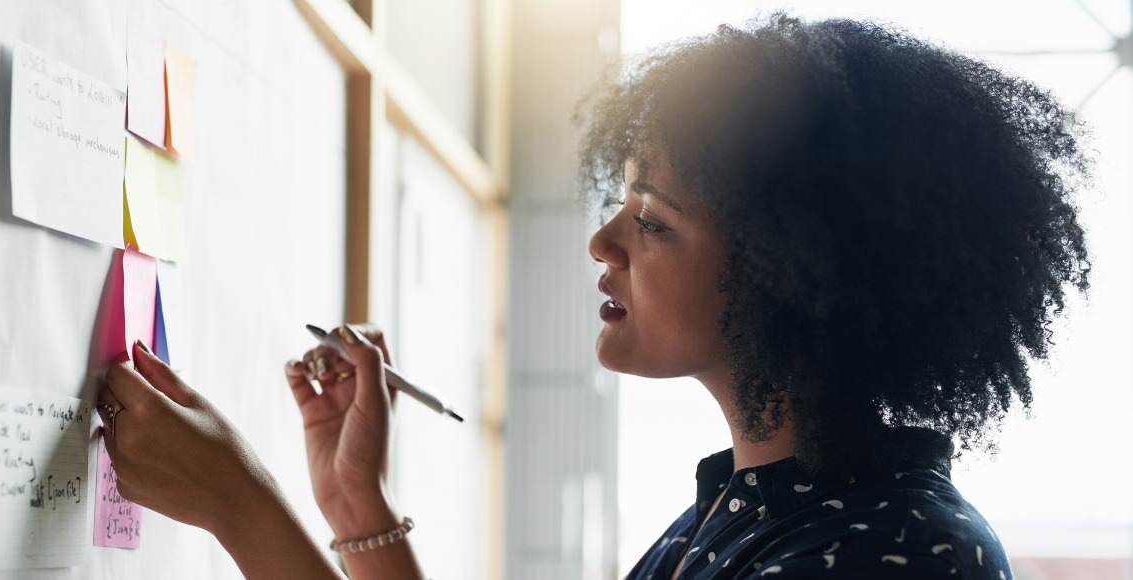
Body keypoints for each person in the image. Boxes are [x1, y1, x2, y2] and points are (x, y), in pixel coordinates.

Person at [96, 13, 1091, 579]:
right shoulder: (747, 514)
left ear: (794, 273)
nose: (600, 243)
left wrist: (242, 509)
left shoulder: (889, 559)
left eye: (650, 221)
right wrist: (354, 503)